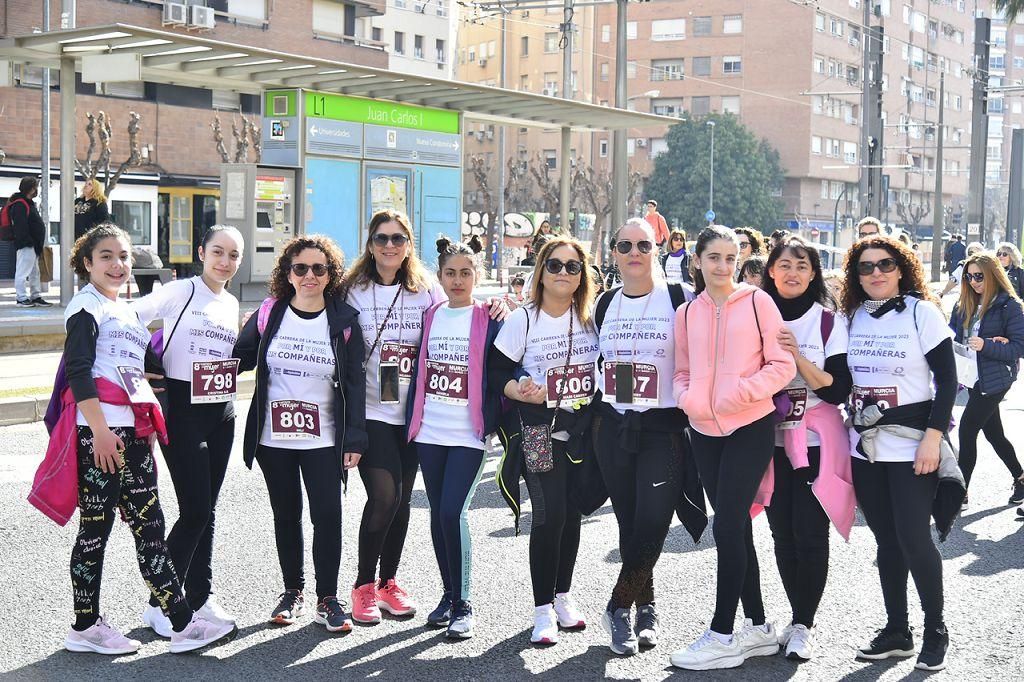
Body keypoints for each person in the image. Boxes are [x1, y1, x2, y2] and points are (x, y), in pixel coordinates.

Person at [47, 223, 233, 654]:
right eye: (107, 256)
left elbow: (149, 366)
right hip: (100, 436)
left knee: (151, 529)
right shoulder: (85, 307)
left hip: (132, 436)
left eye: (124, 256)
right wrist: (99, 431)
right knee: (96, 530)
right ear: (87, 263)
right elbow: (79, 371)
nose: (118, 265)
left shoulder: (127, 311)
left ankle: (181, 623)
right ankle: (85, 626)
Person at [342, 210, 505, 624]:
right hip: (372, 410)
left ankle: (388, 582)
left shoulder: (425, 290)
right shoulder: (352, 290)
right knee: (386, 496)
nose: (390, 246)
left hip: (415, 416)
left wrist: (500, 306)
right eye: (382, 238)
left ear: (409, 245)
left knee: (402, 505)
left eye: (399, 239)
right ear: (370, 243)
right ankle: (363, 586)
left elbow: (461, 313)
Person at [670, 225, 796, 671]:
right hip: (703, 430)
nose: (723, 266)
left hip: (750, 425)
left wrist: (742, 392)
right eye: (715, 258)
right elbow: (681, 369)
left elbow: (782, 364)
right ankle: (759, 627)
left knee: (725, 526)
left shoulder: (759, 302)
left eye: (731, 258)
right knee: (737, 526)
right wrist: (689, 400)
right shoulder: (687, 313)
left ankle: (723, 633)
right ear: (698, 261)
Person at [234, 235, 367, 633]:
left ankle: (328, 597)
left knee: (327, 516)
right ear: (287, 274)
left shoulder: (343, 321)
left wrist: (354, 439)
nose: (309, 276)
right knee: (286, 514)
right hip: (274, 439)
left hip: (324, 438)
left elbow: (357, 384)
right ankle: (292, 591)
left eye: (319, 269)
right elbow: (237, 357)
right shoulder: (270, 313)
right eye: (300, 268)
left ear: (330, 274)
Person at [841, 235, 956, 672]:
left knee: (913, 538)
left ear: (902, 268)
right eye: (865, 267)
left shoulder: (920, 313)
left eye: (885, 265)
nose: (875, 273)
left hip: (913, 445)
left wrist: (932, 436)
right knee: (886, 541)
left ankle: (936, 629)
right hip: (866, 448)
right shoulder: (851, 318)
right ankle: (897, 630)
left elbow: (946, 381)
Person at [593, 218, 705, 656]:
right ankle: (646, 609)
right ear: (615, 253)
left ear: (656, 249)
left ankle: (617, 606)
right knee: (629, 522)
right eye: (625, 245)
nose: (634, 252)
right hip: (614, 426)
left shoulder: (679, 299)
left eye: (643, 244)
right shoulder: (603, 304)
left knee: (655, 520)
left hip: (664, 427)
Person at [130, 225, 244, 637]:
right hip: (183, 411)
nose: (224, 261)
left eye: (233, 255)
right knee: (195, 511)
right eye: (218, 251)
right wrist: (141, 359)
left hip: (223, 413)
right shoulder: (183, 290)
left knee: (207, 511)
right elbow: (130, 317)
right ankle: (162, 603)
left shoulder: (231, 303)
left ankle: (199, 595)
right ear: (201, 252)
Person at [490, 236, 598, 645]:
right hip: (537, 428)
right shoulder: (525, 319)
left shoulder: (590, 317)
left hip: (581, 428)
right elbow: (496, 372)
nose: (564, 274)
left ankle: (563, 595)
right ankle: (542, 610)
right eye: (555, 265)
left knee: (571, 514)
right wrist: (518, 387)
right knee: (548, 514)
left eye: (573, 267)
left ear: (582, 274)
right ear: (541, 270)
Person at [760, 236, 854, 661]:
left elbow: (837, 391)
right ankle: (798, 614)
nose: (792, 272)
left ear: (813, 273)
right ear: (771, 271)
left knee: (811, 534)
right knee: (781, 533)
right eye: (784, 265)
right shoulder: (756, 315)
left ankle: (803, 623)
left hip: (817, 439)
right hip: (768, 438)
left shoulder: (828, 321)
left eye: (801, 265)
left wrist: (796, 358)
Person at [407, 236, 503, 640]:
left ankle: (465, 604)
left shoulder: (490, 316)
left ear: (477, 276)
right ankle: (447, 596)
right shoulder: (432, 314)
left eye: (466, 272)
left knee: (452, 512)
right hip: (430, 429)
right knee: (436, 514)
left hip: (468, 433)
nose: (458, 280)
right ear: (440, 277)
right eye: (450, 273)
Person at [948, 253, 1024, 507]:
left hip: (996, 379)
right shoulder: (964, 304)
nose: (973, 282)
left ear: (992, 274)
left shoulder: (1009, 305)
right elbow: (952, 336)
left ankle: (960, 492)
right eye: (969, 276)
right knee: (994, 433)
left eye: (978, 276)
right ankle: (1021, 477)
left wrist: (987, 345)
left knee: (968, 429)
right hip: (971, 377)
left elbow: (1018, 348)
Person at [8, 176, 50, 307]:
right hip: (27, 245)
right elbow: (20, 226)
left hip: (33, 246)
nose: (37, 190)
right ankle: (21, 298)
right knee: (22, 272)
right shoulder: (20, 204)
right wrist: (29, 242)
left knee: (34, 273)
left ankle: (35, 296)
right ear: (30, 189)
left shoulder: (28, 203)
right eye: (35, 187)